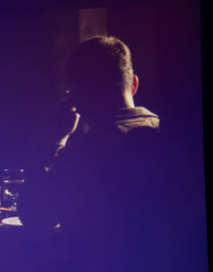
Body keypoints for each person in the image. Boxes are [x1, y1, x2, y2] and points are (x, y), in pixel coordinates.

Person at [24, 35, 163, 237]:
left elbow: (37, 215)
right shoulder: (161, 130)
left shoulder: (89, 150)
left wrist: (54, 141)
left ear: (77, 96)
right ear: (134, 84)